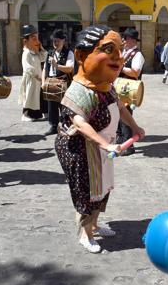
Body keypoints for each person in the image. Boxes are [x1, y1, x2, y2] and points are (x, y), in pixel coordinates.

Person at [55, 25, 145, 253]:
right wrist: (105, 144)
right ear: (81, 55)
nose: (118, 57)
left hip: (103, 147)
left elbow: (121, 108)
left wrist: (135, 126)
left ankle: (94, 225)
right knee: (87, 190)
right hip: (79, 149)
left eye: (120, 50)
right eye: (108, 49)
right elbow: (80, 123)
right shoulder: (79, 90)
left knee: (103, 187)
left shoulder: (106, 87)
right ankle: (84, 234)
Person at [116, 27, 145, 156]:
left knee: (126, 115)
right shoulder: (124, 52)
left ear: (132, 40)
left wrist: (121, 68)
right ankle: (120, 141)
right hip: (119, 87)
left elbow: (135, 72)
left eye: (125, 38)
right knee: (117, 115)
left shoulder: (137, 54)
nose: (123, 40)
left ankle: (128, 146)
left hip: (129, 89)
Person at [42, 29, 75, 135]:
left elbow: (70, 68)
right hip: (51, 81)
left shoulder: (68, 52)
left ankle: (66, 124)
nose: (55, 43)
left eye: (57, 41)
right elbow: (44, 68)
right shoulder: (50, 53)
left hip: (63, 82)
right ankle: (53, 126)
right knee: (51, 105)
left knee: (64, 105)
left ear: (63, 41)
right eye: (54, 41)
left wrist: (56, 65)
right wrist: (43, 82)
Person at [19, 25, 46, 121]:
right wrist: (37, 76)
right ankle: (25, 115)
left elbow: (43, 58)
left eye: (36, 38)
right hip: (30, 79)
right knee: (29, 97)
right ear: (26, 40)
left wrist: (40, 47)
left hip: (37, 79)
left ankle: (36, 115)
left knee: (36, 98)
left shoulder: (34, 52)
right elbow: (27, 68)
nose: (35, 40)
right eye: (33, 38)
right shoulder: (26, 53)